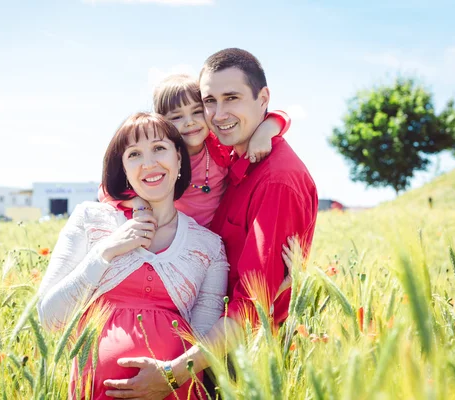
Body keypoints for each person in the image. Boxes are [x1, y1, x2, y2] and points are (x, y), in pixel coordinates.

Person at [103, 48, 318, 400]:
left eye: (231, 98)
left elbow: (255, 301)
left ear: (263, 98)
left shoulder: (277, 180)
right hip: (206, 344)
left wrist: (175, 373)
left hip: (241, 356)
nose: (217, 115)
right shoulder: (228, 154)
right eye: (210, 101)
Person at [37, 112, 230, 399]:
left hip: (178, 392)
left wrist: (169, 376)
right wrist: (106, 251)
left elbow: (202, 338)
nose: (149, 163)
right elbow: (49, 317)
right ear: (123, 168)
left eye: (159, 149)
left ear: (179, 158)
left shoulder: (208, 246)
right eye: (135, 154)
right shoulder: (90, 219)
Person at [100, 74, 290, 229]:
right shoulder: (160, 159)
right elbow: (108, 191)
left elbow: (283, 116)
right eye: (177, 116)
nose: (189, 122)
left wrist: (266, 130)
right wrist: (136, 202)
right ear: (162, 122)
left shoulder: (219, 146)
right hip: (176, 238)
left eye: (197, 112)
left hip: (216, 239)